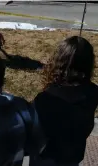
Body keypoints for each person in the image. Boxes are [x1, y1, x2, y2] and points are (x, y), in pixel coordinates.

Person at [32, 36, 98, 166]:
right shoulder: (93, 92)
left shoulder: (45, 97)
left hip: (47, 156)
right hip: (74, 155)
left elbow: (36, 133)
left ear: (58, 61)